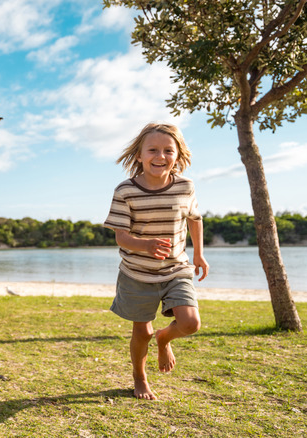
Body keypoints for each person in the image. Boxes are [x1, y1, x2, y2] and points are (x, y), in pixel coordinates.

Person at [103, 122, 209, 401]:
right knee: (141, 330)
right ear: (139, 154)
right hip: (137, 273)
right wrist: (145, 245)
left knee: (190, 323)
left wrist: (198, 253)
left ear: (177, 155)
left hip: (176, 269)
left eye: (167, 150)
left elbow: (195, 219)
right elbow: (122, 238)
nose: (160, 156)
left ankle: (165, 338)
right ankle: (140, 378)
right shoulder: (125, 190)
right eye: (152, 150)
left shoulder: (186, 186)